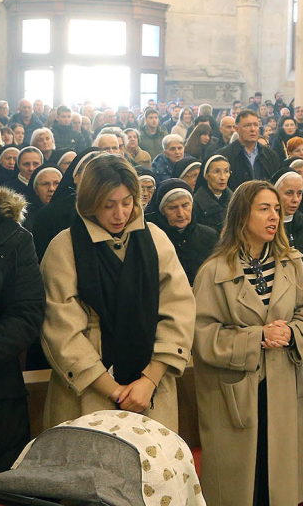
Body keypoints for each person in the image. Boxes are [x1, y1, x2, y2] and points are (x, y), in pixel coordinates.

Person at [191, 180, 303, 506]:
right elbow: (202, 337)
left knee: (279, 486)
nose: (274, 217)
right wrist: (257, 337)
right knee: (243, 489)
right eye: (264, 209)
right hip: (237, 392)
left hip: (282, 390)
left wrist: (292, 333)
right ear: (241, 215)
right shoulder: (214, 272)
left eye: (276, 210)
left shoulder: (292, 263)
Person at [39, 155, 195, 431]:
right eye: (108, 205)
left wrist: (149, 380)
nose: (120, 214)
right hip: (87, 390)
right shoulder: (64, 247)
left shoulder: (155, 238)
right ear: (89, 202)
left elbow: (179, 309)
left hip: (151, 386)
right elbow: (60, 330)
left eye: (127, 202)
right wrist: (113, 390)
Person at [146, 178, 218, 285]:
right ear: (162, 211)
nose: (181, 213)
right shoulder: (151, 238)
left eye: (185, 205)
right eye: (172, 208)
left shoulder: (209, 236)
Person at [221, 110, 280, 189]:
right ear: (236, 129)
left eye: (256, 125)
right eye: (247, 125)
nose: (252, 129)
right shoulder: (225, 156)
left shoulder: (270, 155)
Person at [194, 154, 233, 231]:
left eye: (226, 171)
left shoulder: (235, 200)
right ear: (206, 175)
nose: (222, 177)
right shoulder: (195, 203)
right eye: (216, 171)